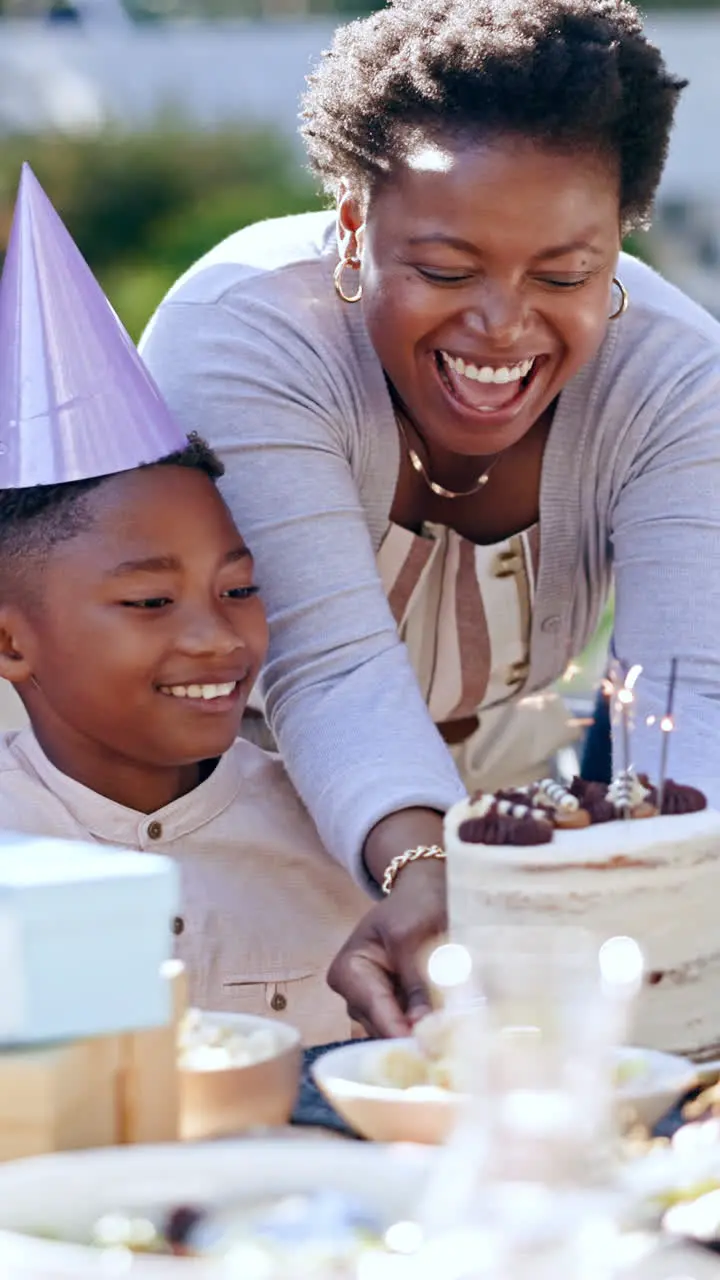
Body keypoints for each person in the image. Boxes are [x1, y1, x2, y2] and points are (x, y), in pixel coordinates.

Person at [140, 0, 720, 1039]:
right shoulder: (243, 331)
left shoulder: (677, 381)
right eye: (447, 270)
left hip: (481, 835)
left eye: (566, 273)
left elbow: (690, 688)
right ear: (356, 224)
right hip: (204, 814)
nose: (502, 322)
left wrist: (663, 895)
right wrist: (424, 864)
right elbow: (326, 658)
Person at [0, 166, 367, 1047]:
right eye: (150, 600)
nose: (216, 637)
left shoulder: (329, 844)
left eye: (240, 589)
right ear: (11, 641)